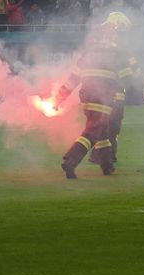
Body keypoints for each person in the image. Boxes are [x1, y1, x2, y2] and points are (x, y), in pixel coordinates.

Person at [54, 12, 135, 178]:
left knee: (102, 131)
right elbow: (127, 79)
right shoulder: (117, 53)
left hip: (86, 98)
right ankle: (70, 161)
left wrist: (59, 98)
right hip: (102, 98)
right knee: (92, 132)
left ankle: (107, 166)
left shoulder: (89, 52)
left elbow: (73, 78)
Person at [89, 12, 139, 170]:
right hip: (113, 95)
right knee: (111, 126)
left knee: (106, 126)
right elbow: (131, 70)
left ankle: (105, 155)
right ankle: (103, 156)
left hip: (102, 94)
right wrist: (137, 75)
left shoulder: (104, 45)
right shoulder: (118, 49)